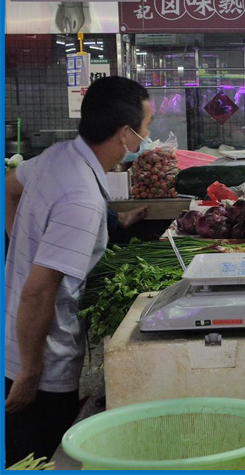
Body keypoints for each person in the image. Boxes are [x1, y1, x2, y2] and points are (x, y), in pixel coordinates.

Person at [4, 76, 152, 466]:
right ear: (125, 133)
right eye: (146, 128)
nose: (146, 139)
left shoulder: (56, 158)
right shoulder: (82, 198)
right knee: (38, 456)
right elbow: (38, 291)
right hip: (41, 362)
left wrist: (23, 241)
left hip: (17, 341)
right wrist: (31, 372)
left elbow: (7, 187)